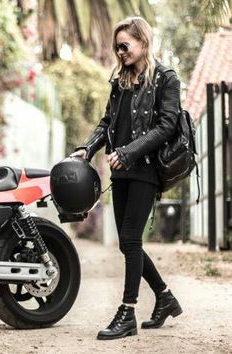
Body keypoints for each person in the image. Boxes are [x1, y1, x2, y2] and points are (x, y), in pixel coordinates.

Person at [71, 16, 183, 340]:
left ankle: (128, 312)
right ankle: (163, 297)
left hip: (146, 170)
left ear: (143, 42)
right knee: (126, 242)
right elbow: (107, 123)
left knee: (131, 239)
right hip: (120, 171)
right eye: (116, 47)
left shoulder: (166, 78)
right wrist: (88, 148)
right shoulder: (120, 81)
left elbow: (166, 126)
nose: (120, 52)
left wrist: (129, 151)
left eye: (125, 46)